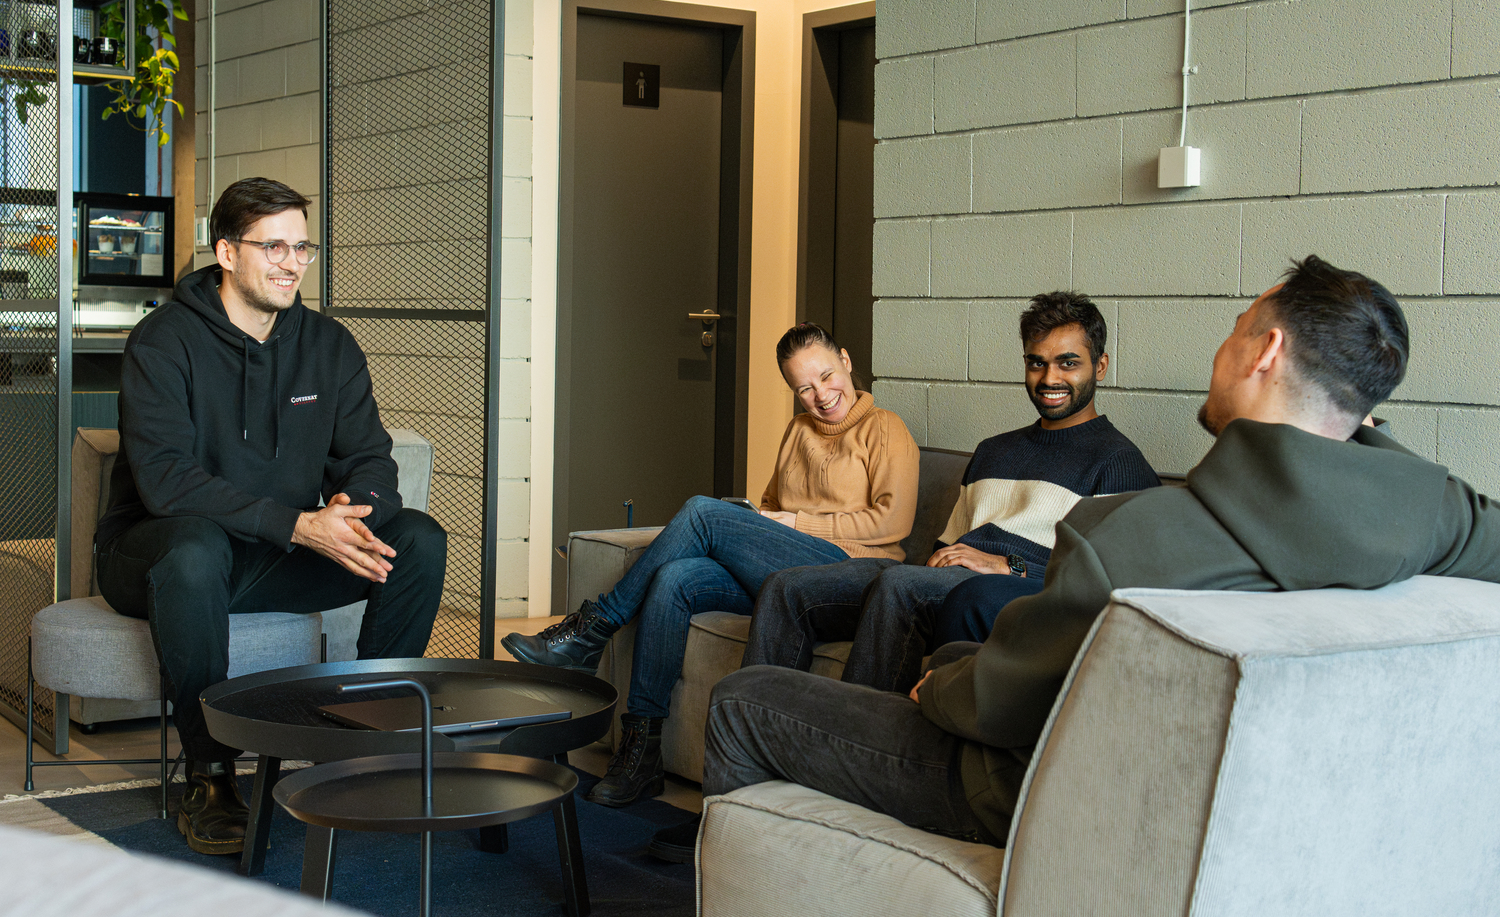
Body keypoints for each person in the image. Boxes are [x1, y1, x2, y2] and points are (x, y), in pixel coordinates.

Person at [647, 255, 1500, 861]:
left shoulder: (1136, 531)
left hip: (1017, 790)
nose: (1222, 350)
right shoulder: (1433, 514)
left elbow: (993, 702)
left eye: (1237, 330)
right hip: (1202, 818)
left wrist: (938, 683)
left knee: (748, 698)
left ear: (1268, 353)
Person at [95, 178, 448, 855]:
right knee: (196, 549)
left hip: (265, 556)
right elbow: (167, 483)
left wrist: (354, 508)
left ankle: (357, 749)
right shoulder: (162, 342)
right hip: (156, 556)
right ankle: (210, 774)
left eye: (302, 247)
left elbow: (370, 458)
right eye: (273, 246)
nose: (291, 262)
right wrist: (298, 525)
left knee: (418, 541)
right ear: (227, 252)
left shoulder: (328, 345)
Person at [502, 322, 920, 807]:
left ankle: (592, 628)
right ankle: (642, 749)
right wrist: (767, 524)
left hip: (847, 572)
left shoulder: (885, 428)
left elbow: (892, 522)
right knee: (674, 577)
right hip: (785, 568)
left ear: (846, 361)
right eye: (804, 388)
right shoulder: (798, 431)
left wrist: (796, 524)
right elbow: (768, 506)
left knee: (703, 511)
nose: (822, 395)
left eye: (827, 376)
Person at [741, 292, 1159, 694]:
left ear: (1099, 366)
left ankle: (857, 738)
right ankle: (755, 727)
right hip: (937, 584)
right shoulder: (994, 451)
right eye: (1037, 363)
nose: (1050, 378)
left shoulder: (1118, 462)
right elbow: (943, 551)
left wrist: (1007, 564)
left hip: (1008, 592)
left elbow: (1110, 582)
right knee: (786, 587)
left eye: (1069, 363)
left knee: (900, 586)